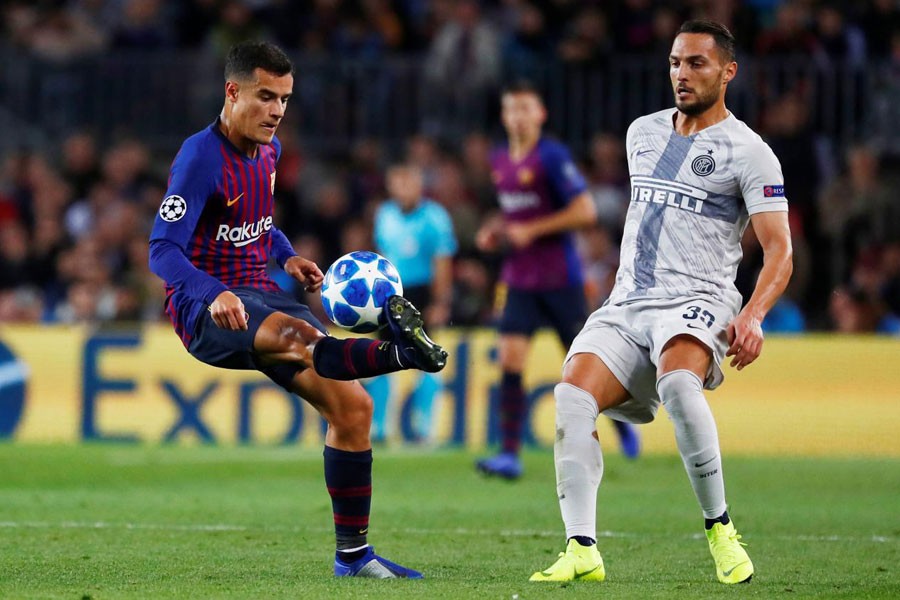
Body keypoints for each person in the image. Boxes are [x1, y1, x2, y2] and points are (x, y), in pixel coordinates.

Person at [148, 41, 447, 579]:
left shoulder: (269, 151)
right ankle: (406, 353)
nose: (277, 111)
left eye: (284, 99)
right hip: (207, 310)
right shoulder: (198, 157)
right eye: (265, 97)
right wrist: (212, 293)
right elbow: (162, 249)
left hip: (262, 291)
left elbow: (259, 222)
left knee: (354, 410)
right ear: (232, 91)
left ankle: (353, 557)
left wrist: (287, 257)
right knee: (299, 338)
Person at [529, 20, 793, 584]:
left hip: (700, 298)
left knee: (678, 383)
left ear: (728, 72)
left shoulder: (750, 152)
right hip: (628, 303)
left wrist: (753, 314)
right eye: (675, 62)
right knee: (571, 396)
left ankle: (720, 530)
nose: (681, 73)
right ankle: (582, 549)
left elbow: (780, 252)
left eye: (697, 63)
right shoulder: (642, 133)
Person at [475, 80, 640, 480]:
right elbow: (514, 214)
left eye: (525, 109)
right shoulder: (500, 159)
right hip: (518, 278)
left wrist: (532, 231)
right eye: (511, 109)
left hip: (560, 279)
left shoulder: (551, 156)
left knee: (584, 364)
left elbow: (585, 212)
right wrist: (494, 229)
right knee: (511, 360)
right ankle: (509, 453)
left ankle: (621, 424)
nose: (518, 117)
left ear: (540, 114)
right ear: (504, 115)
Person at [368, 163, 458, 443]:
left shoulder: (434, 217)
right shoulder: (385, 215)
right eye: (398, 183)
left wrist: (440, 301)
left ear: (419, 186)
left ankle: (424, 428)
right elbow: (382, 255)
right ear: (391, 186)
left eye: (409, 183)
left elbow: (442, 261)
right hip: (391, 294)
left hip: (422, 293)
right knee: (381, 357)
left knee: (425, 357)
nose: (404, 189)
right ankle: (380, 428)